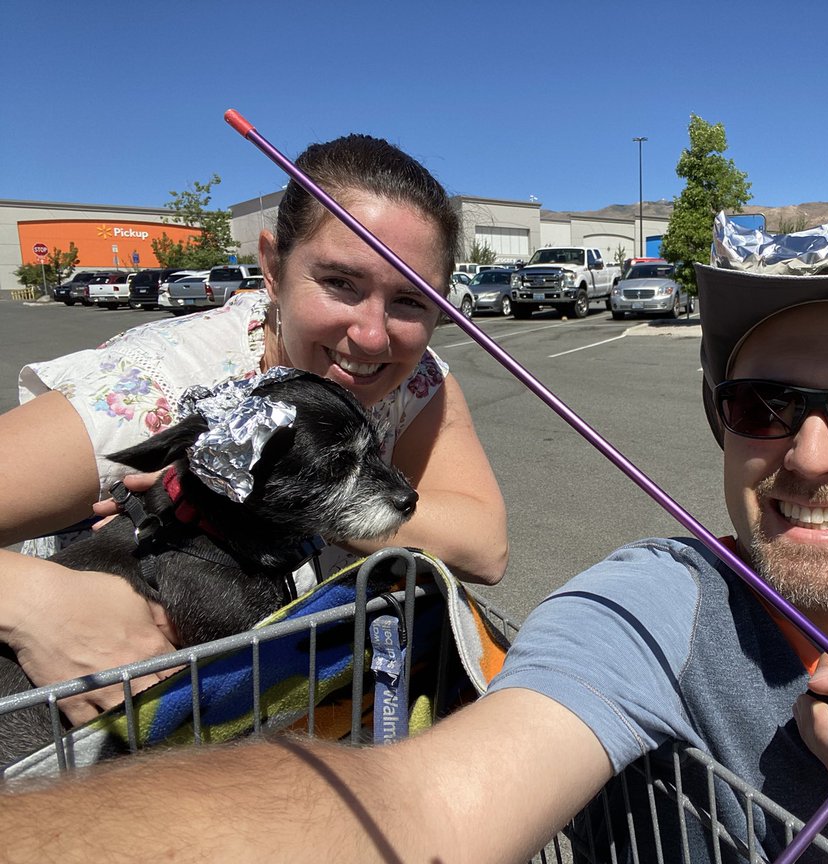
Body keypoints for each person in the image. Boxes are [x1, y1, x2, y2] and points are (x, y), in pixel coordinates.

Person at [0, 221, 828, 864]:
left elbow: (478, 537)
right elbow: (407, 817)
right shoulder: (652, 610)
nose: (813, 452)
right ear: (724, 426)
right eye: (765, 404)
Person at [0, 134, 508, 724]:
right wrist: (35, 600)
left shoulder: (412, 378)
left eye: (411, 300)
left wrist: (270, 496)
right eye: (341, 282)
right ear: (272, 267)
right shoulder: (152, 392)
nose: (373, 335)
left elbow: (484, 546)